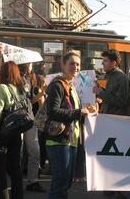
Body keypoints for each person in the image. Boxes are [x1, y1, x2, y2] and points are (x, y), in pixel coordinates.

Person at [45, 52, 97, 199]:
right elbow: (53, 112)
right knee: (60, 184)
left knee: (65, 184)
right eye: (72, 63)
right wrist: (80, 111)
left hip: (71, 141)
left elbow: (75, 114)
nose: (75, 67)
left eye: (78, 64)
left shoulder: (71, 86)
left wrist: (88, 112)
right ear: (63, 65)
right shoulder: (57, 85)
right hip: (58, 141)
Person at [0, 61, 26, 199]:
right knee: (15, 168)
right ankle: (18, 195)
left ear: (2, 73)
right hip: (16, 133)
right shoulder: (21, 88)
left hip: (3, 134)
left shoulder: (2, 88)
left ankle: (2, 196)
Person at [19, 62, 45, 193]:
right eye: (29, 64)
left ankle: (32, 181)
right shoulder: (16, 78)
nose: (31, 66)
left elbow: (30, 102)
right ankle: (16, 182)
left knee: (35, 151)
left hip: (30, 119)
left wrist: (40, 96)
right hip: (18, 120)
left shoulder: (32, 79)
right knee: (19, 152)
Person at [93, 50, 130, 116]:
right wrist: (100, 89)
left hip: (116, 120)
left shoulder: (121, 77)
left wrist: (101, 93)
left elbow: (122, 101)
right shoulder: (112, 75)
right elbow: (111, 94)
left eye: (105, 61)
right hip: (111, 118)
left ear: (114, 63)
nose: (102, 63)